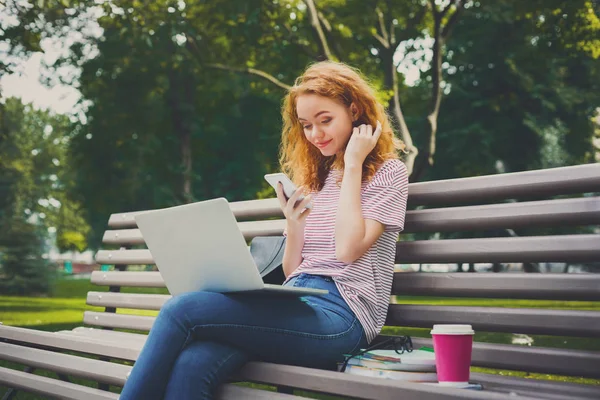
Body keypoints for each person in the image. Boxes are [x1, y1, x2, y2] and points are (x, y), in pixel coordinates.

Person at [119, 61, 409, 400]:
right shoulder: (315, 179)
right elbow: (292, 271)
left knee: (180, 309)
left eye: (325, 120)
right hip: (296, 301)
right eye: (306, 125)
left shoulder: (387, 173)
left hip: (342, 318)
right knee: (193, 362)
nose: (316, 134)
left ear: (354, 110)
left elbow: (347, 250)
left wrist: (354, 164)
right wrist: (295, 224)